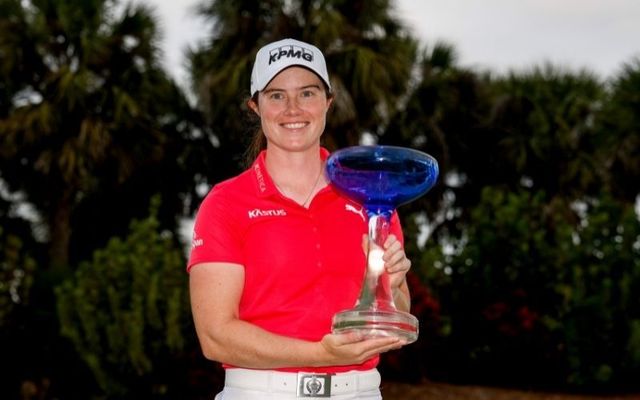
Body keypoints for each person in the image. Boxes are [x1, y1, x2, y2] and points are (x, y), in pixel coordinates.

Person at [188, 38, 414, 400]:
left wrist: (396, 284)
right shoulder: (226, 202)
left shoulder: (371, 197)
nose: (293, 109)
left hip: (360, 392)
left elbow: (396, 313)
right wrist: (319, 355)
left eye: (307, 93)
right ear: (255, 106)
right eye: (276, 95)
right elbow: (216, 337)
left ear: (328, 102)